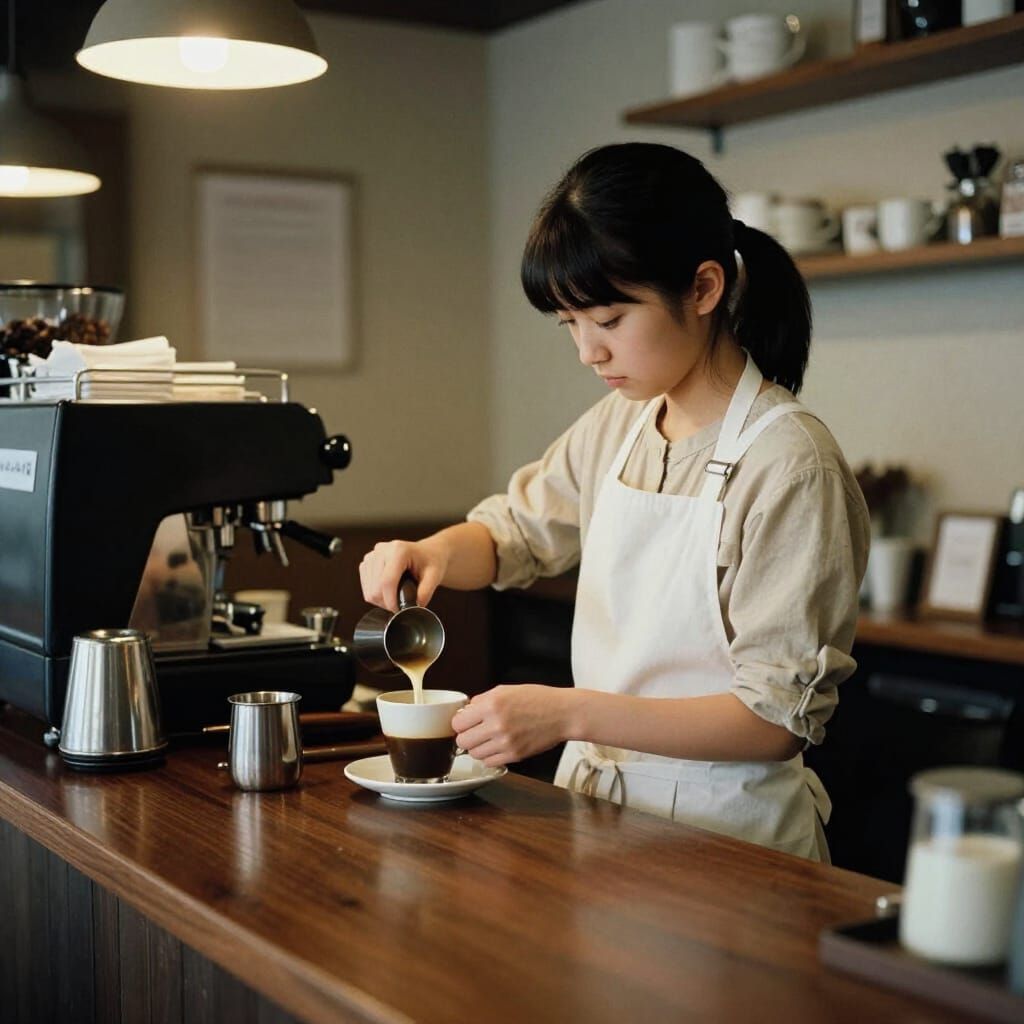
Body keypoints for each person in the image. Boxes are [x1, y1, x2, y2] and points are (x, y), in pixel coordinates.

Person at [359, 142, 870, 862]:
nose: (587, 353)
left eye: (607, 320)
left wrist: (567, 712)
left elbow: (772, 720)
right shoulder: (623, 424)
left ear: (703, 288)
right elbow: (512, 536)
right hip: (596, 818)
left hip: (731, 842)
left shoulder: (790, 463)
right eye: (569, 324)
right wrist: (433, 551)